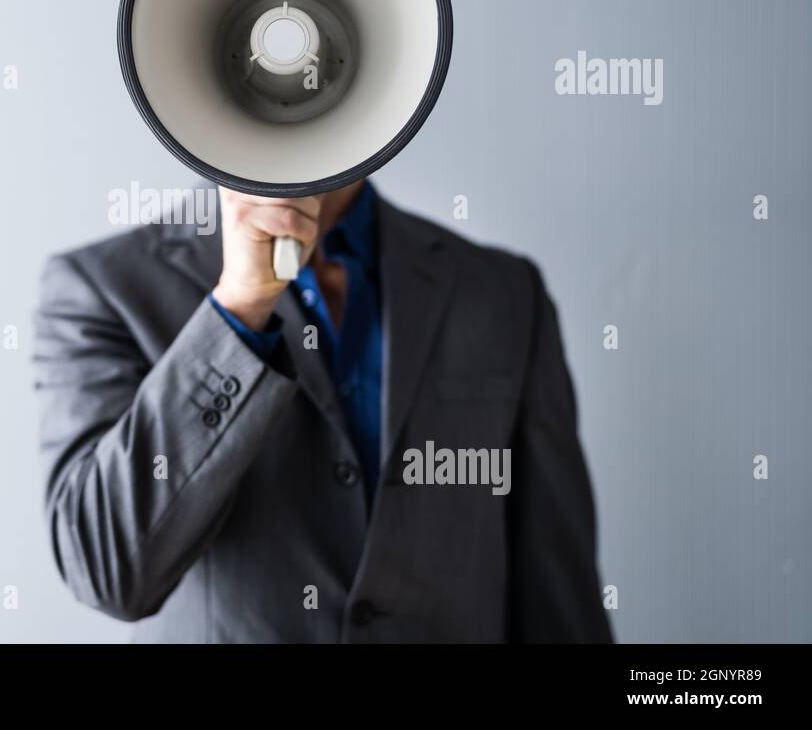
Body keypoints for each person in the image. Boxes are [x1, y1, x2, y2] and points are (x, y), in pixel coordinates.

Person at [32, 178, 612, 642]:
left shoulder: (502, 291)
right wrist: (238, 308)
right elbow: (107, 571)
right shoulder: (102, 287)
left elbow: (558, 595)